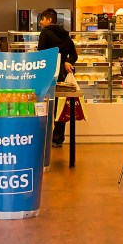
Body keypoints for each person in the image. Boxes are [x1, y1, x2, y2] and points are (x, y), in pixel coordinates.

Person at [36, 8, 79, 148]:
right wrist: (67, 62)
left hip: (48, 74)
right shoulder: (65, 35)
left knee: (45, 105)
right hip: (62, 75)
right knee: (60, 106)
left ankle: (43, 137)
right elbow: (74, 55)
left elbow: (41, 54)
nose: (41, 22)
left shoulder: (45, 33)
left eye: (42, 19)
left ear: (49, 20)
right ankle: (58, 139)